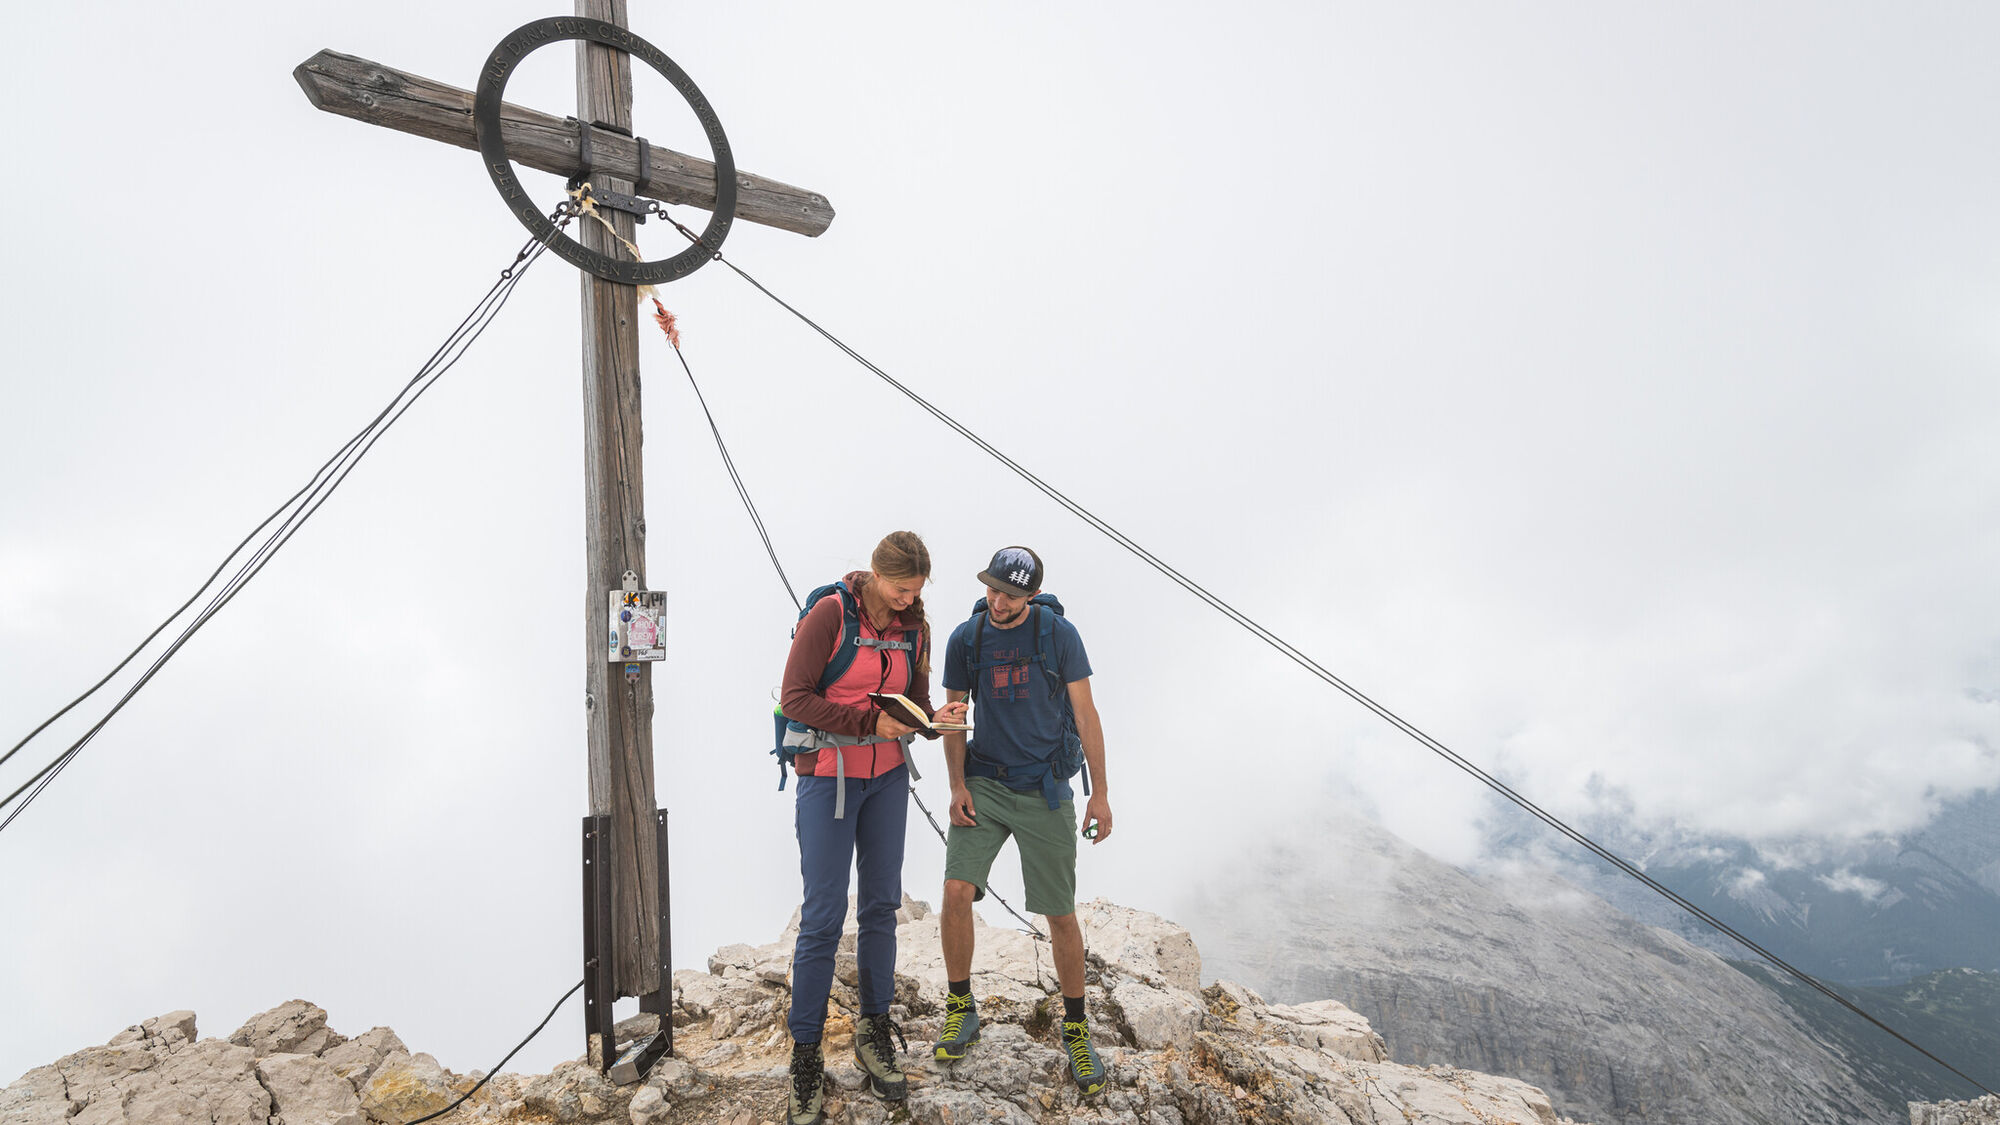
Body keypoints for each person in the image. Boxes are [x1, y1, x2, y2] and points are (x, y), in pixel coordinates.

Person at [777, 531, 969, 1125]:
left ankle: (875, 1027)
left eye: (918, 590)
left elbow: (908, 704)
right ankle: (805, 1055)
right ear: (876, 577)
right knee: (823, 916)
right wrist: (867, 723)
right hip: (828, 776)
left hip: (887, 779)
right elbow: (794, 698)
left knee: (882, 905)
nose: (911, 600)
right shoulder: (831, 614)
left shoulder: (915, 628)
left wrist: (932, 720)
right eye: (902, 588)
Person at [933, 545, 1114, 1095]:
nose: (997, 600)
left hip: (1045, 790)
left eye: (1008, 594)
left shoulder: (1059, 635)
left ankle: (1076, 1029)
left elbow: (1086, 714)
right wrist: (958, 786)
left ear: (1031, 595)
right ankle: (961, 1007)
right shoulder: (968, 638)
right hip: (985, 783)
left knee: (1059, 914)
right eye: (991, 588)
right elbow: (955, 715)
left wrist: (1100, 795)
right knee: (955, 891)